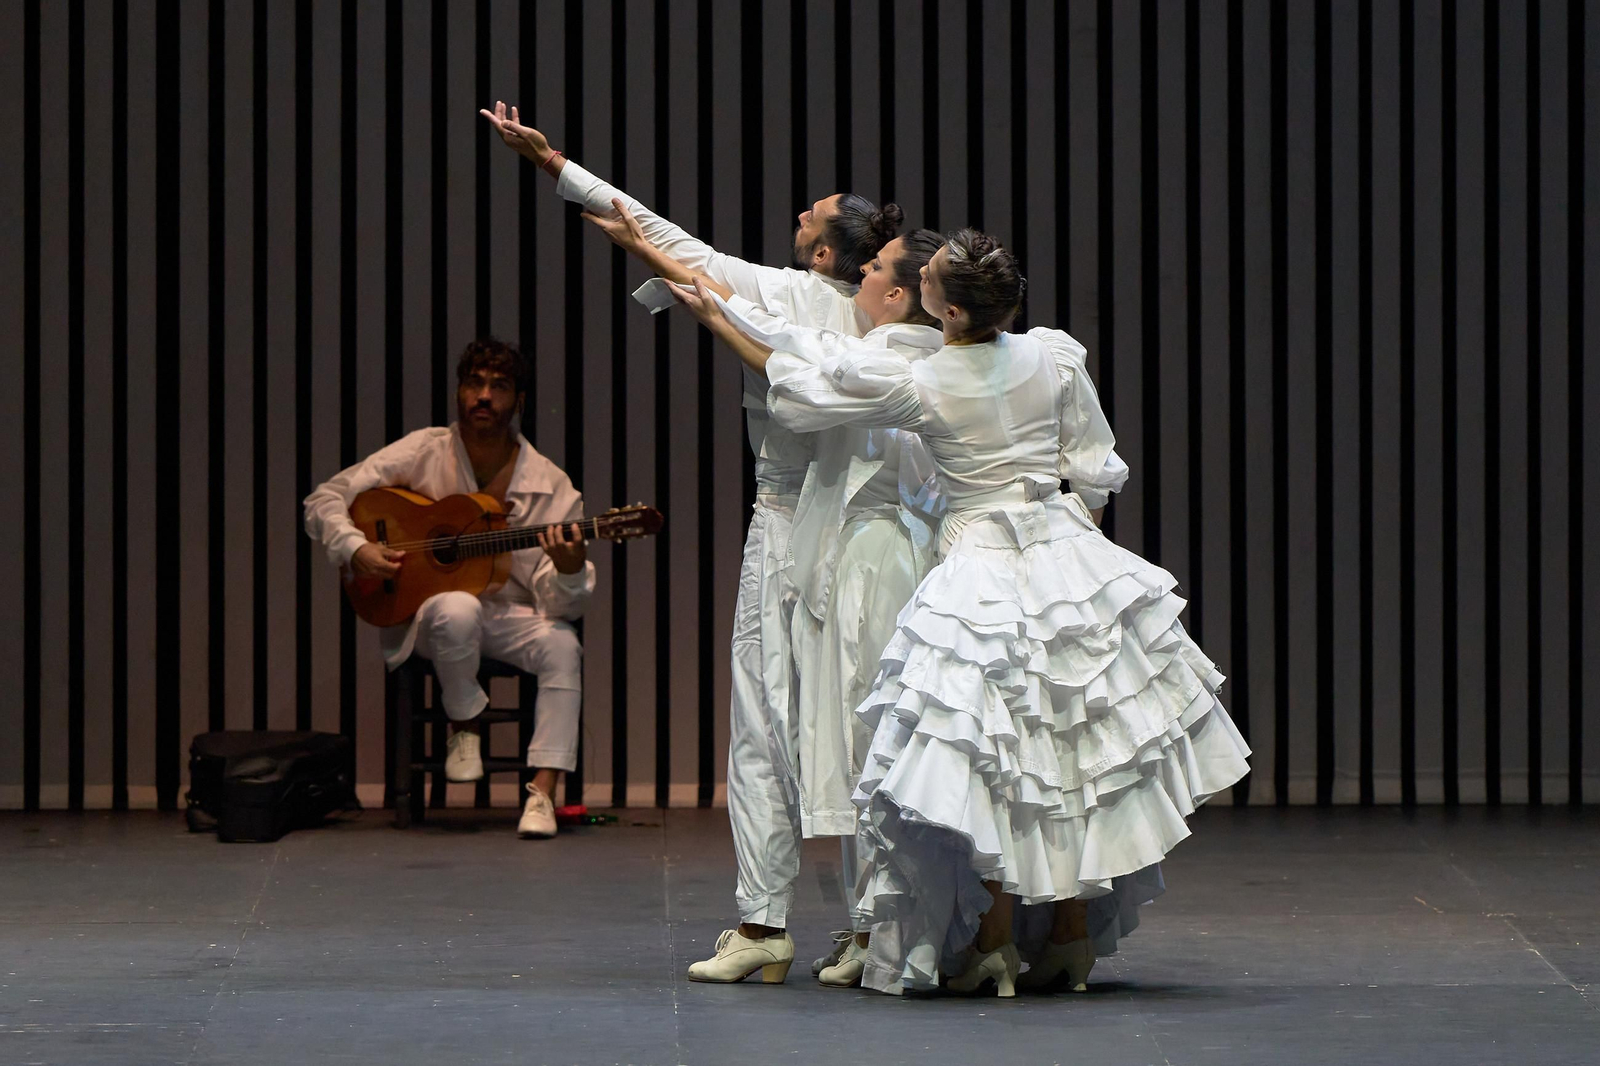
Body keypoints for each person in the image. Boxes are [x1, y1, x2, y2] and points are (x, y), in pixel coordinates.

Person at [673, 229, 1252, 996]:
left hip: (979, 570)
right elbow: (1090, 464)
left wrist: (719, 316)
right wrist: (1067, 533)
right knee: (1070, 748)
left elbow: (810, 379)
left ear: (939, 309)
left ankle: (993, 942)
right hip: (1067, 556)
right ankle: (1070, 936)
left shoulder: (928, 380)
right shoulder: (1053, 355)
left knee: (995, 764)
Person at [480, 102, 901, 982]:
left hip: (793, 527)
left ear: (827, 254)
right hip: (875, 542)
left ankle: (763, 924)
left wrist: (555, 163)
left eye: (808, 218)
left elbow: (677, 243)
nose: (795, 220)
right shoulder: (902, 325)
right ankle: (871, 928)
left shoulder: (788, 297)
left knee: (765, 722)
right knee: (863, 725)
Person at [667, 229, 948, 988]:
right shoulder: (877, 331)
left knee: (854, 727)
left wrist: (717, 310)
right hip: (825, 528)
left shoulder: (895, 350)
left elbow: (795, 366)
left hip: (857, 543)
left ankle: (862, 924)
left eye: (871, 264)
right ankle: (796, 922)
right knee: (790, 723)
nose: (858, 270)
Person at [304, 338, 594, 840]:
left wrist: (569, 567)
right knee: (456, 606)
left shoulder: (550, 485)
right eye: (474, 383)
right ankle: (466, 724)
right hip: (430, 614)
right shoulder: (424, 451)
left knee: (563, 645)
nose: (484, 396)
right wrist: (356, 549)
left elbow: (558, 603)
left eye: (498, 386)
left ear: (518, 402)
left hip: (507, 616)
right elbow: (325, 497)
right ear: (460, 392)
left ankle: (542, 794)